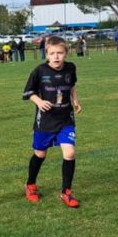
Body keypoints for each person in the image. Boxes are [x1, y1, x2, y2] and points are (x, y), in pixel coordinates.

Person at [21, 36, 82, 208]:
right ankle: (30, 184)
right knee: (40, 154)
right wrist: (39, 102)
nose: (56, 57)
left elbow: (72, 86)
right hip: (45, 121)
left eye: (60, 53)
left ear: (66, 53)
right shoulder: (40, 71)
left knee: (69, 153)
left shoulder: (70, 68)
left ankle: (66, 192)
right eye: (52, 53)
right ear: (46, 54)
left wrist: (75, 101)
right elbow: (28, 93)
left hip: (65, 119)